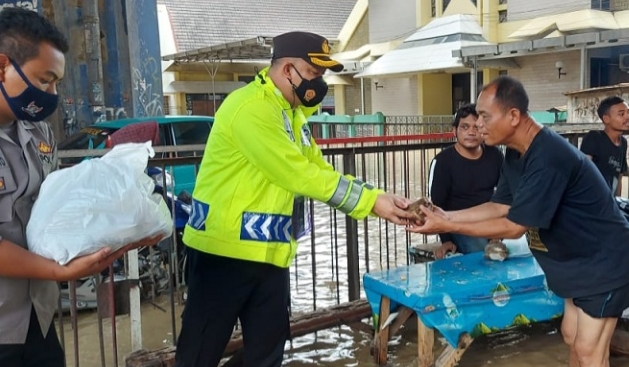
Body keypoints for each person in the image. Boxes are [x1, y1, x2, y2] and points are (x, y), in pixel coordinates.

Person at [175, 31, 414, 367]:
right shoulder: (251, 108)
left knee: (267, 356)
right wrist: (371, 203)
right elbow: (297, 173)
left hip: (270, 257)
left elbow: (318, 169)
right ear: (288, 70)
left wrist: (377, 196)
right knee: (199, 355)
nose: (319, 83)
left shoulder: (291, 115)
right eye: (314, 74)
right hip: (222, 255)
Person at [408, 75, 629, 367]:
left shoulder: (548, 155)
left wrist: (448, 226)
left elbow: (514, 226)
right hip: (575, 262)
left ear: (513, 116)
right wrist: (445, 216)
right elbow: (499, 205)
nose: (479, 126)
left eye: (485, 117)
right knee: (571, 335)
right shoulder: (515, 153)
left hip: (603, 263)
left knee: (590, 351)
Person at [0, 8, 159, 367]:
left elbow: (56, 207)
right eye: (44, 80)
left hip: (37, 319)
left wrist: (126, 223)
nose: (53, 94)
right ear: (2, 67)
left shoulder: (36, 131)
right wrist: (58, 272)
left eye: (57, 82)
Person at [428, 103, 503, 259]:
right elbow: (436, 206)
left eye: (476, 127)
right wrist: (446, 240)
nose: (471, 132)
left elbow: (505, 193)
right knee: (483, 255)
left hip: (491, 220)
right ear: (454, 131)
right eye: (465, 127)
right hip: (460, 225)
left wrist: (499, 232)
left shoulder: (495, 155)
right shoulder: (443, 162)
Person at [580, 96, 629, 196]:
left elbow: (619, 177)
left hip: (609, 202)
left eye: (628, 112)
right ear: (606, 119)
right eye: (621, 114)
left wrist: (616, 204)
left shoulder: (623, 142)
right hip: (592, 201)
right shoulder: (594, 137)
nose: (627, 117)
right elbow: (582, 172)